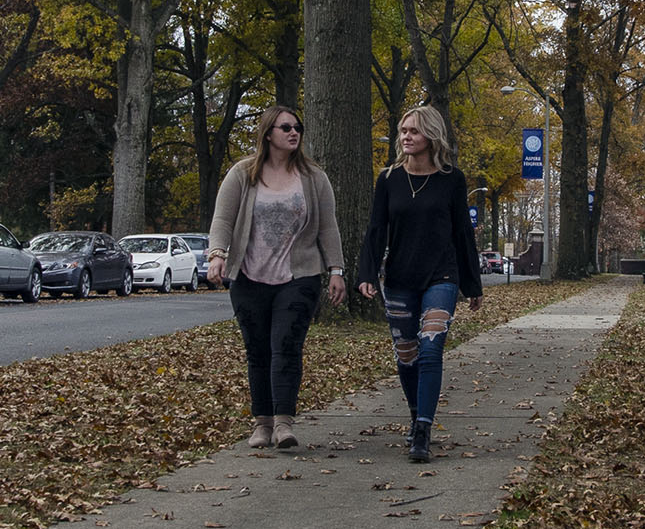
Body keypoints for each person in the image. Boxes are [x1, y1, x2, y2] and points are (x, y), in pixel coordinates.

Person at [206, 106, 347, 449]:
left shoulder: (314, 178)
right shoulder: (243, 174)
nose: (293, 132)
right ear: (268, 133)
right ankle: (262, 424)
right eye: (286, 127)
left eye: (298, 127)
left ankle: (284, 423)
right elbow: (223, 220)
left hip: (299, 275)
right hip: (249, 278)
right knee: (257, 351)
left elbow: (328, 227)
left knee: (286, 346)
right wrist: (216, 255)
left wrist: (336, 271)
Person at [356, 103, 482, 463]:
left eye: (413, 131)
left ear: (431, 134)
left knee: (430, 350)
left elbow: (462, 234)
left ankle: (423, 429)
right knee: (407, 355)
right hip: (399, 278)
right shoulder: (389, 178)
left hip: (441, 277)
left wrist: (472, 284)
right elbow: (376, 229)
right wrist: (366, 274)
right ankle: (415, 416)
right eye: (403, 131)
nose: (406, 137)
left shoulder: (452, 179)